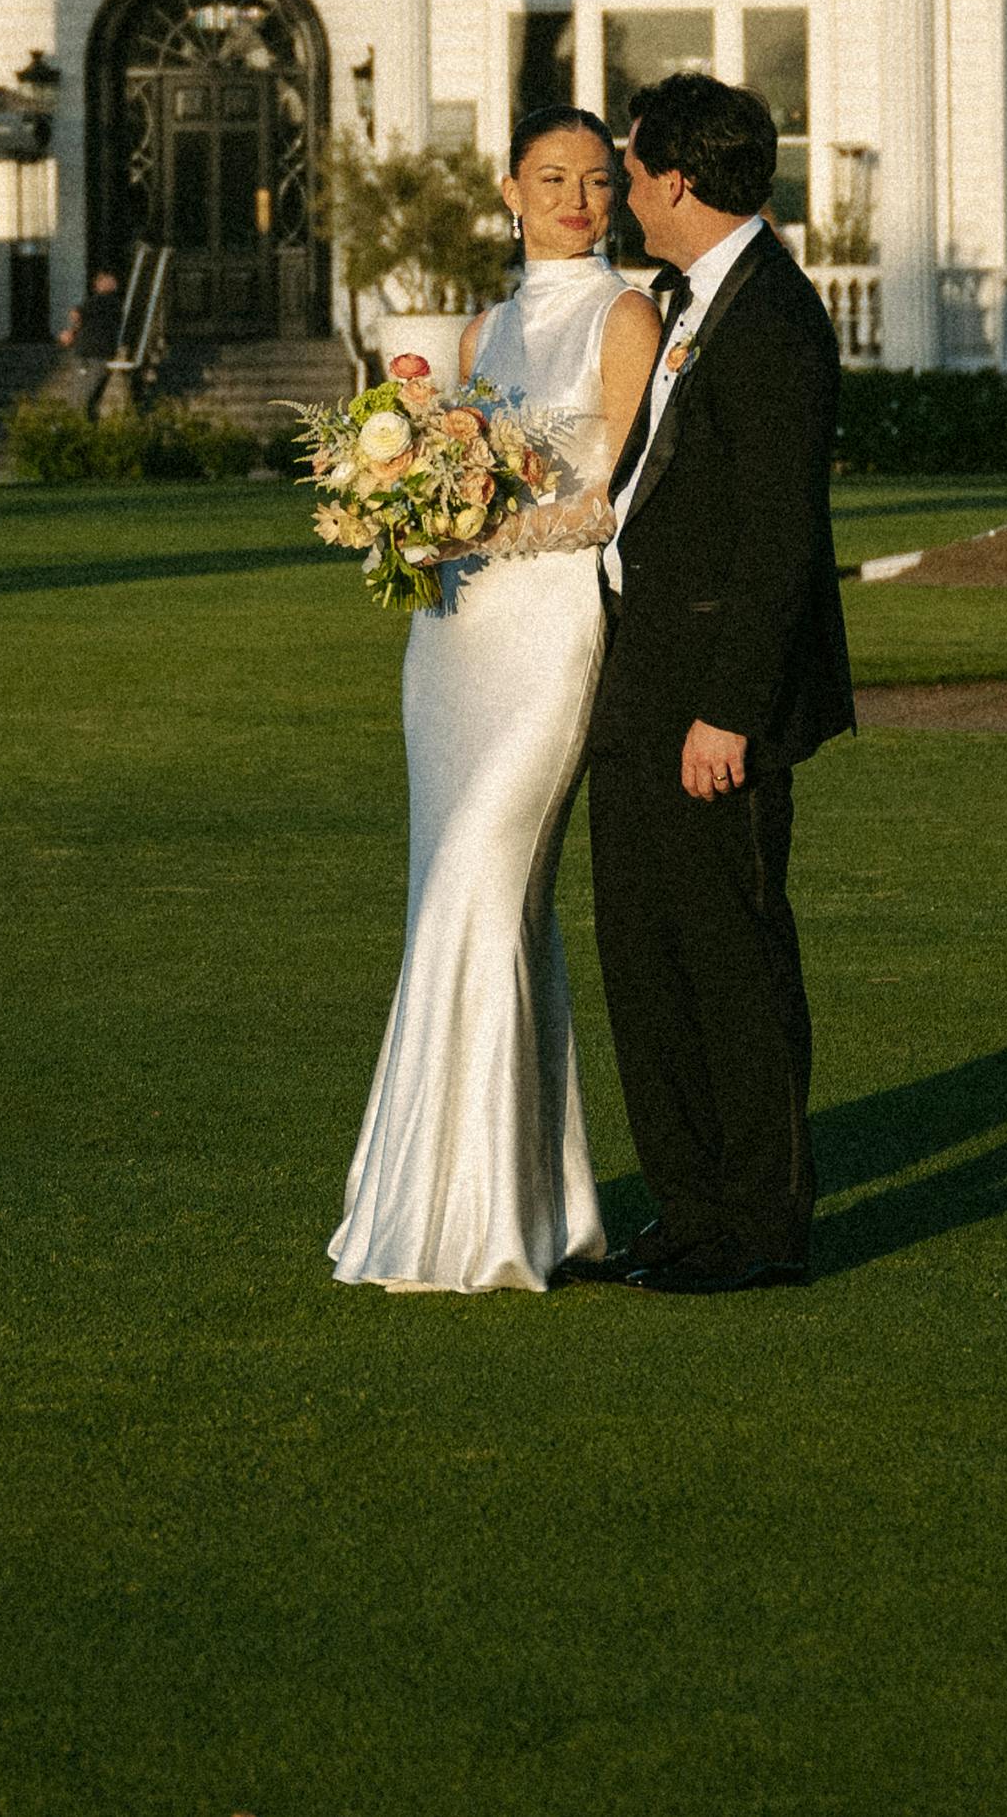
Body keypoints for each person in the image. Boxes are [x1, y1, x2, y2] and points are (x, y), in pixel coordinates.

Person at [327, 106, 662, 1295]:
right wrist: (403, 516)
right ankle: (490, 1203)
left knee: (484, 878)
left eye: (596, 180)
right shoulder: (482, 327)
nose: (576, 198)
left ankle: (482, 1216)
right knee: (458, 901)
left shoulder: (626, 316)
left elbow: (614, 496)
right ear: (508, 189)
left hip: (548, 634)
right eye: (551, 176)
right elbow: (453, 469)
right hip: (452, 640)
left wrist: (482, 525)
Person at [578, 68, 855, 1294]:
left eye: (632, 170)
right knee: (643, 958)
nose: (621, 192)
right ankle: (685, 1209)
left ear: (678, 179)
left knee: (729, 961)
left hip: (712, 702)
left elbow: (778, 537)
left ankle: (760, 1223)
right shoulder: (686, 301)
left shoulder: (775, 318)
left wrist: (727, 712)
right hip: (640, 677)